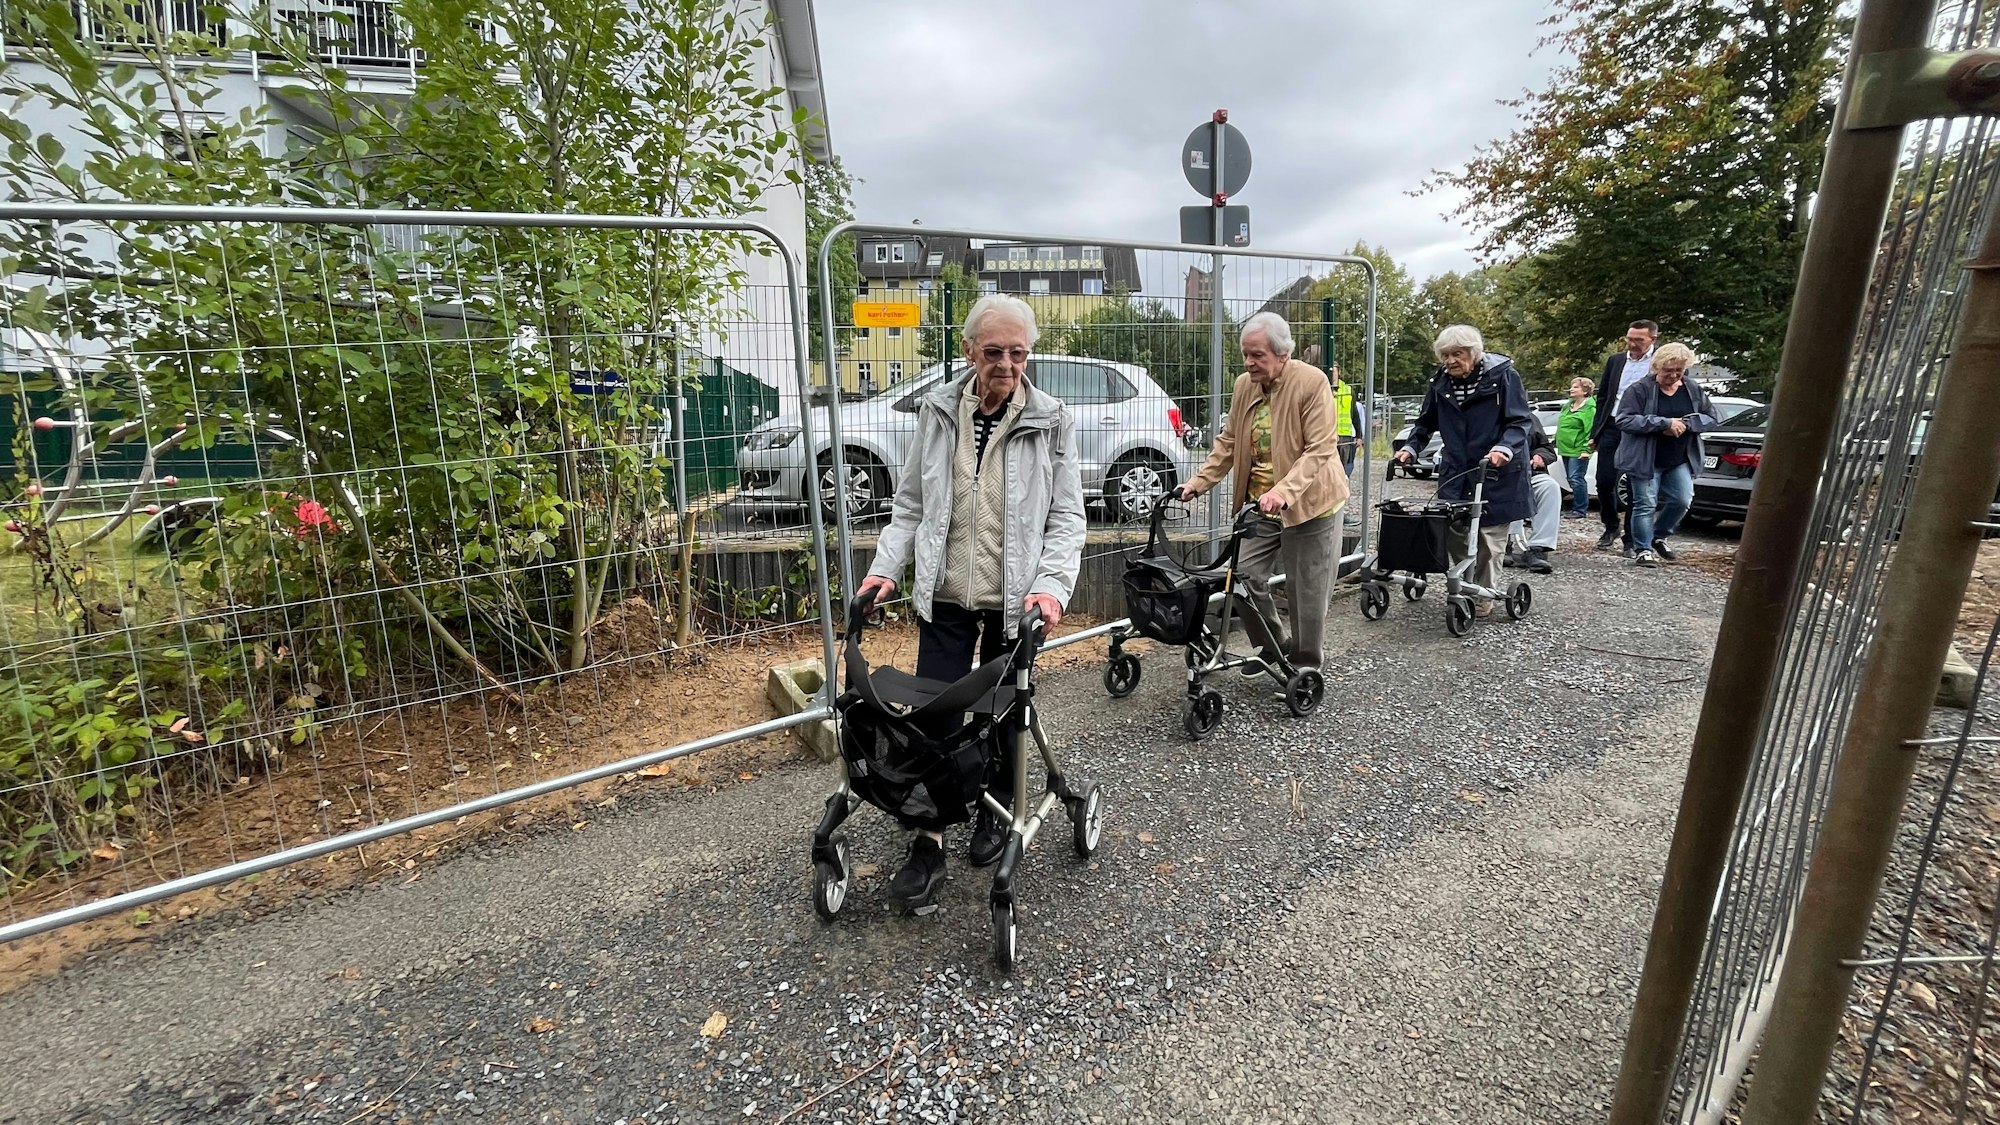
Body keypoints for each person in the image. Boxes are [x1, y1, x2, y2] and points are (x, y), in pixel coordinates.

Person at [855, 293, 1085, 912]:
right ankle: (928, 842)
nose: (1008, 364)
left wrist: (1051, 587)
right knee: (935, 720)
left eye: (1018, 352)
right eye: (994, 352)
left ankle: (997, 811)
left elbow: (1066, 517)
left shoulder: (1052, 418)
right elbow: (909, 506)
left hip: (1016, 602)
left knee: (1008, 716)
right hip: (948, 592)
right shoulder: (937, 412)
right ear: (968, 351)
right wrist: (883, 571)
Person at [1177, 311, 1349, 672]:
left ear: (1282, 354)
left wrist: (1284, 492)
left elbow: (1320, 448)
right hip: (1262, 505)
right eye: (1245, 354)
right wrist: (1197, 482)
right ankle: (1273, 646)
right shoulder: (1245, 386)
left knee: (1307, 593)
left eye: (1258, 355)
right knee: (1242, 576)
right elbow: (1229, 442)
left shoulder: (1311, 383)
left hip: (1310, 505)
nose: (1249, 362)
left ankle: (1305, 668)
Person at [1395, 325, 1535, 614]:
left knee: (1488, 536)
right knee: (1456, 530)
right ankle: (1464, 586)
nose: (1450, 361)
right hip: (1457, 470)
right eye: (1445, 355)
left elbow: (1520, 421)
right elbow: (1424, 424)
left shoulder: (1504, 376)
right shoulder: (1440, 383)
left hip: (1496, 469)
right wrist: (1411, 448)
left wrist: (1504, 448)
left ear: (1474, 352)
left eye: (1457, 354)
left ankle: (1484, 594)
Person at [1614, 341, 1717, 569]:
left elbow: (1711, 417)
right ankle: (1643, 549)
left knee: (1682, 500)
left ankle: (1659, 535)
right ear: (1656, 367)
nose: (1673, 375)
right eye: (1668, 370)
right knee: (1645, 504)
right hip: (1645, 458)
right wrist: (1663, 423)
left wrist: (1687, 424)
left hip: (1679, 457)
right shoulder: (1639, 390)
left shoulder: (1692, 389)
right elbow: (1623, 419)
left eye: (1678, 370)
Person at [1589, 320, 1658, 555]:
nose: (1632, 344)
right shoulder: (1616, 360)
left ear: (1652, 340)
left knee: (1633, 485)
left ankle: (1631, 538)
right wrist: (1595, 431)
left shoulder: (1660, 362)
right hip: (1612, 425)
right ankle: (1611, 526)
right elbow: (1604, 397)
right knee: (1604, 480)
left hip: (1641, 429)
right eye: (1629, 339)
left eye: (1639, 340)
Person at [1504, 417, 1561, 575]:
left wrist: (1540, 456)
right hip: (1496, 474)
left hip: (1529, 472)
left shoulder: (1529, 418)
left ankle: (1538, 547)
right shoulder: (1485, 417)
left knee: (1550, 487)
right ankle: (1502, 543)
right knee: (1511, 488)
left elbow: (1546, 448)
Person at [1556, 377, 1596, 517]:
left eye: (1576, 387)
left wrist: (1586, 450)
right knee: (1570, 478)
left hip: (1578, 450)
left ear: (1585, 391)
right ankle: (1577, 507)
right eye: (1572, 386)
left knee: (1576, 478)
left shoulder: (1590, 408)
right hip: (1565, 448)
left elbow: (1590, 431)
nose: (1571, 389)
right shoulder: (1568, 406)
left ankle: (1580, 509)